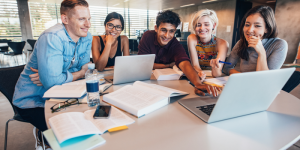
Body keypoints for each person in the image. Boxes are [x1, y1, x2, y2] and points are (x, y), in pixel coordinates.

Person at [12, 0, 92, 149]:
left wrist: (53, 77)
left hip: (63, 95)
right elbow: (76, 73)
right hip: (33, 99)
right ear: (65, 19)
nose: (88, 24)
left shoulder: (86, 37)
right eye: (82, 19)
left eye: (89, 19)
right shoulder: (52, 37)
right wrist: (75, 74)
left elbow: (85, 69)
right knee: (69, 132)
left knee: (88, 120)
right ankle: (43, 138)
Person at [138, 10, 220, 97]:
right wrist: (168, 65)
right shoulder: (147, 36)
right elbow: (143, 64)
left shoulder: (175, 44)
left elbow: (184, 63)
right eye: (163, 30)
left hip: (167, 83)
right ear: (156, 28)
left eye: (171, 31)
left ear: (175, 31)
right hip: (147, 81)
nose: (166, 35)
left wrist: (198, 84)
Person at [223, 5, 287, 75]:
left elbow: (265, 79)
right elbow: (227, 67)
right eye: (247, 25)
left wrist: (261, 52)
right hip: (244, 83)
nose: (250, 30)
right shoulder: (241, 43)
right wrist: (243, 77)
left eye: (257, 26)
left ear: (267, 29)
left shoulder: (279, 44)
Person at [188, 9, 228, 80]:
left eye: (206, 24)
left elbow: (217, 74)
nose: (202, 28)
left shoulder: (222, 44)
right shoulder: (192, 39)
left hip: (215, 78)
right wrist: (200, 73)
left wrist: (215, 67)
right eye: (198, 25)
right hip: (198, 76)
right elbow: (195, 65)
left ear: (214, 25)